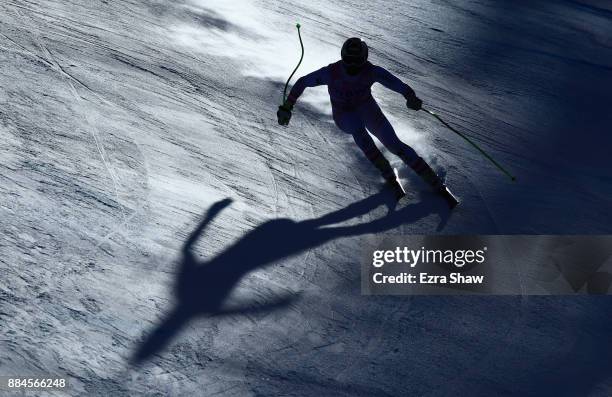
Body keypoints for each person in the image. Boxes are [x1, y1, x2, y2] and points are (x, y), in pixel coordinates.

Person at [277, 37, 456, 207]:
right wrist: (288, 106)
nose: (353, 66)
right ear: (343, 57)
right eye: (349, 60)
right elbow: (303, 82)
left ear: (364, 59)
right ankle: (391, 175)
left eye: (357, 61)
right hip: (345, 115)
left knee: (395, 145)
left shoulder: (369, 71)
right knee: (359, 130)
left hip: (367, 109)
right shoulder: (332, 73)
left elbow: (395, 83)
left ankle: (433, 183)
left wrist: (410, 96)